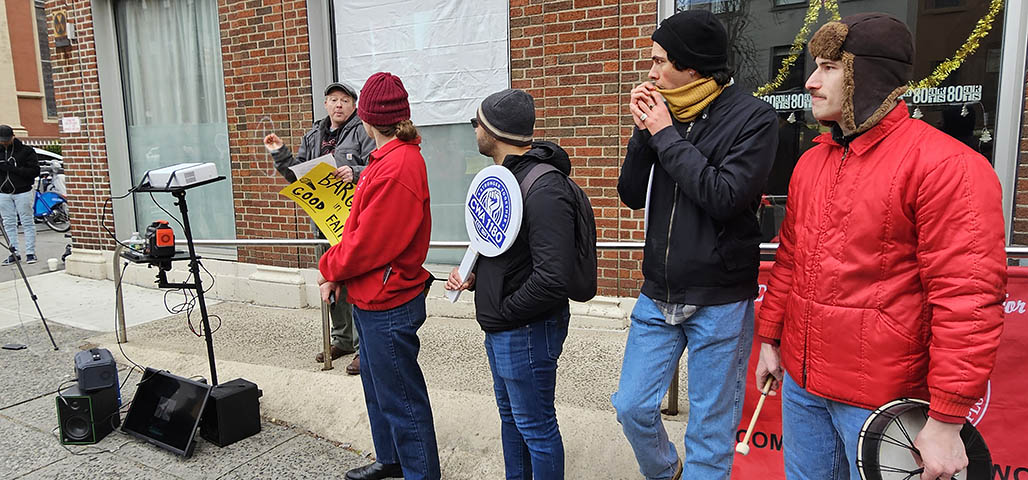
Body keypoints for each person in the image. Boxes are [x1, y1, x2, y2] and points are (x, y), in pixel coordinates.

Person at [754, 13, 1006, 480]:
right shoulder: (812, 163)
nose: (810, 82)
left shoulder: (947, 166)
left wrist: (947, 419)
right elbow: (790, 259)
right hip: (804, 388)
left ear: (865, 75)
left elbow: (967, 299)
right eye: (815, 67)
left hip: (882, 401)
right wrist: (771, 340)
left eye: (829, 67)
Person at [611, 9, 779, 480]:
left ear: (691, 66)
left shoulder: (754, 119)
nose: (650, 72)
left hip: (719, 299)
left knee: (709, 432)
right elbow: (630, 194)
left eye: (659, 61)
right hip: (658, 292)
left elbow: (724, 197)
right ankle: (667, 472)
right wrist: (644, 133)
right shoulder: (663, 114)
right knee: (631, 407)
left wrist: (664, 134)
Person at [446, 89, 578, 480]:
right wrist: (475, 278)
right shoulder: (503, 180)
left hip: (525, 328)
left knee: (536, 427)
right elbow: (507, 253)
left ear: (493, 130)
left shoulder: (544, 187)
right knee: (513, 421)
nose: (474, 129)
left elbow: (553, 277)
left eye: (476, 122)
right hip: (505, 326)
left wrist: (504, 310)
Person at [318, 72, 439, 480]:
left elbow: (369, 242)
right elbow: (359, 227)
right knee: (379, 388)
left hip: (389, 299)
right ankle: (392, 459)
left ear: (367, 118)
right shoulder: (386, 158)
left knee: (400, 397)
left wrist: (330, 267)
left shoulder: (397, 165)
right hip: (373, 294)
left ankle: (420, 473)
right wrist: (340, 272)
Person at [264, 82, 375, 373]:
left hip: (353, 220)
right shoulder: (313, 134)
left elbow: (376, 167)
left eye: (345, 100)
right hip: (323, 221)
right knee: (331, 279)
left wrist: (355, 172)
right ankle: (342, 339)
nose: (339, 105)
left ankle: (364, 349)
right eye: (333, 99)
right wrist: (280, 153)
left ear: (354, 105)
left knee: (356, 283)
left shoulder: (364, 131)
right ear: (325, 104)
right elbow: (296, 175)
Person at [0, 125, 41, 266]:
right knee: (8, 223)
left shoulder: (26, 151)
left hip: (22, 191)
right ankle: (14, 252)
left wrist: (14, 169)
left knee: (27, 221)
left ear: (13, 137)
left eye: (6, 140)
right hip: (3, 192)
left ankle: (30, 252)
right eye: (2, 140)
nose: (4, 143)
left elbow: (34, 171)